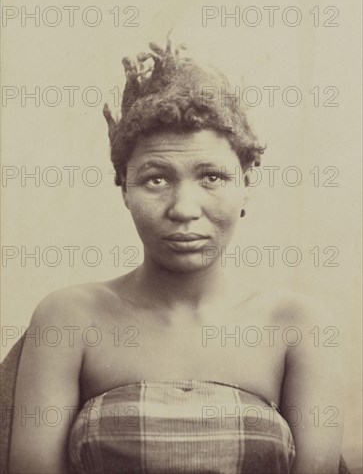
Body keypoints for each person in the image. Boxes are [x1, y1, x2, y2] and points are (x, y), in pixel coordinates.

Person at [9, 39, 344, 474]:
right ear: (123, 188)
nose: (184, 208)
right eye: (155, 180)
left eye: (211, 176)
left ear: (246, 184)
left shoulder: (299, 325)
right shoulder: (70, 317)